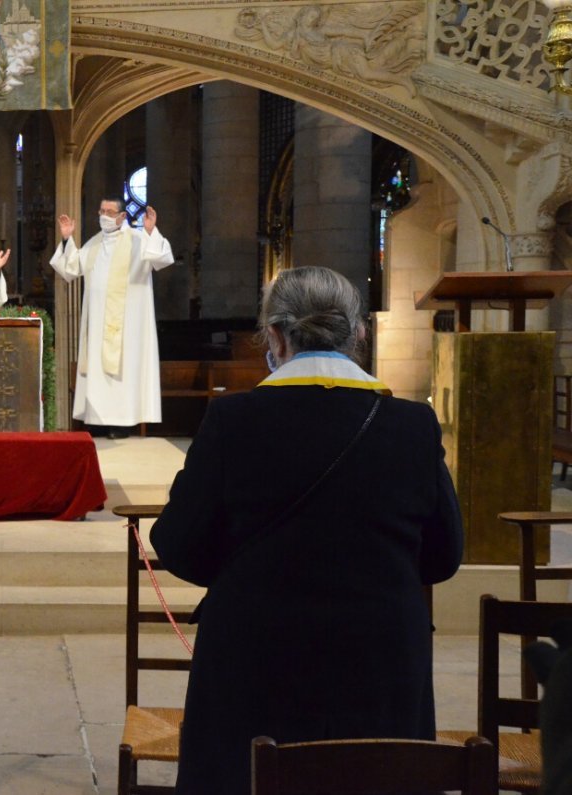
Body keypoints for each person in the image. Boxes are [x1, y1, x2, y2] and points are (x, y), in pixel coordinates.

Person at [148, 266, 464, 795]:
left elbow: (178, 544)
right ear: (359, 333)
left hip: (255, 655)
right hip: (380, 656)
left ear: (273, 335)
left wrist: (244, 570)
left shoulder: (234, 420)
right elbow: (443, 556)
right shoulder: (412, 425)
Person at [50, 199, 173, 439]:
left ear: (122, 215)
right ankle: (97, 421)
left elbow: (161, 258)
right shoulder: (94, 243)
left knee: (121, 370)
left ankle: (122, 423)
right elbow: (70, 268)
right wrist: (67, 239)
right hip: (97, 323)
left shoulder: (137, 240)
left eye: (109, 212)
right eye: (101, 211)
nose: (104, 215)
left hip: (127, 325)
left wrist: (149, 230)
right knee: (97, 368)